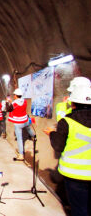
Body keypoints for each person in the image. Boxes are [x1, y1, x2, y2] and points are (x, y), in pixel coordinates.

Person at [44, 86, 91, 216]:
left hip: (75, 174)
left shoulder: (67, 122)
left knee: (79, 209)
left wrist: (52, 133)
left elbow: (58, 146)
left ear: (73, 102)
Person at [6, 88, 35, 161]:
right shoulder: (25, 101)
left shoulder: (14, 103)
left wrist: (7, 102)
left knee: (19, 139)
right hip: (25, 120)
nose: (14, 96)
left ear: (16, 95)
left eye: (14, 95)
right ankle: (34, 136)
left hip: (18, 123)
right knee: (29, 128)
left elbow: (9, 109)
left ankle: (21, 155)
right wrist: (12, 102)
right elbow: (18, 104)